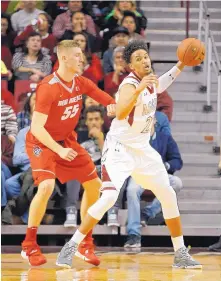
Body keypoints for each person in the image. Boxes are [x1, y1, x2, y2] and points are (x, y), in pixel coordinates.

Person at [57, 40, 202, 269]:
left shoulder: (151, 82)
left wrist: (181, 64)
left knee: (168, 194)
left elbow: (162, 83)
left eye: (146, 56)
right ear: (131, 66)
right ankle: (71, 247)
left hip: (142, 149)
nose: (144, 61)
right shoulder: (129, 84)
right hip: (119, 149)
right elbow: (121, 112)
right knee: (108, 198)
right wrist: (139, 88)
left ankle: (180, 253)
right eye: (138, 59)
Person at [21, 40, 116, 267]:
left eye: (81, 54)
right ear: (63, 58)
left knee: (95, 186)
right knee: (46, 186)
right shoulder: (48, 87)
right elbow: (36, 128)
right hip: (41, 143)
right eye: (76, 55)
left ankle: (84, 243)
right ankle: (29, 245)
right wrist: (59, 150)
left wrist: (112, 104)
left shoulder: (79, 82)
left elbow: (102, 96)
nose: (81, 58)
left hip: (67, 141)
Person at [124, 117, 183, 247]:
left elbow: (177, 160)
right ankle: (134, 234)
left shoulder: (165, 137)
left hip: (159, 173)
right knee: (132, 190)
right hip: (140, 173)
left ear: (155, 122)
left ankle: (147, 213)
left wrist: (166, 165)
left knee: (177, 183)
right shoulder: (134, 139)